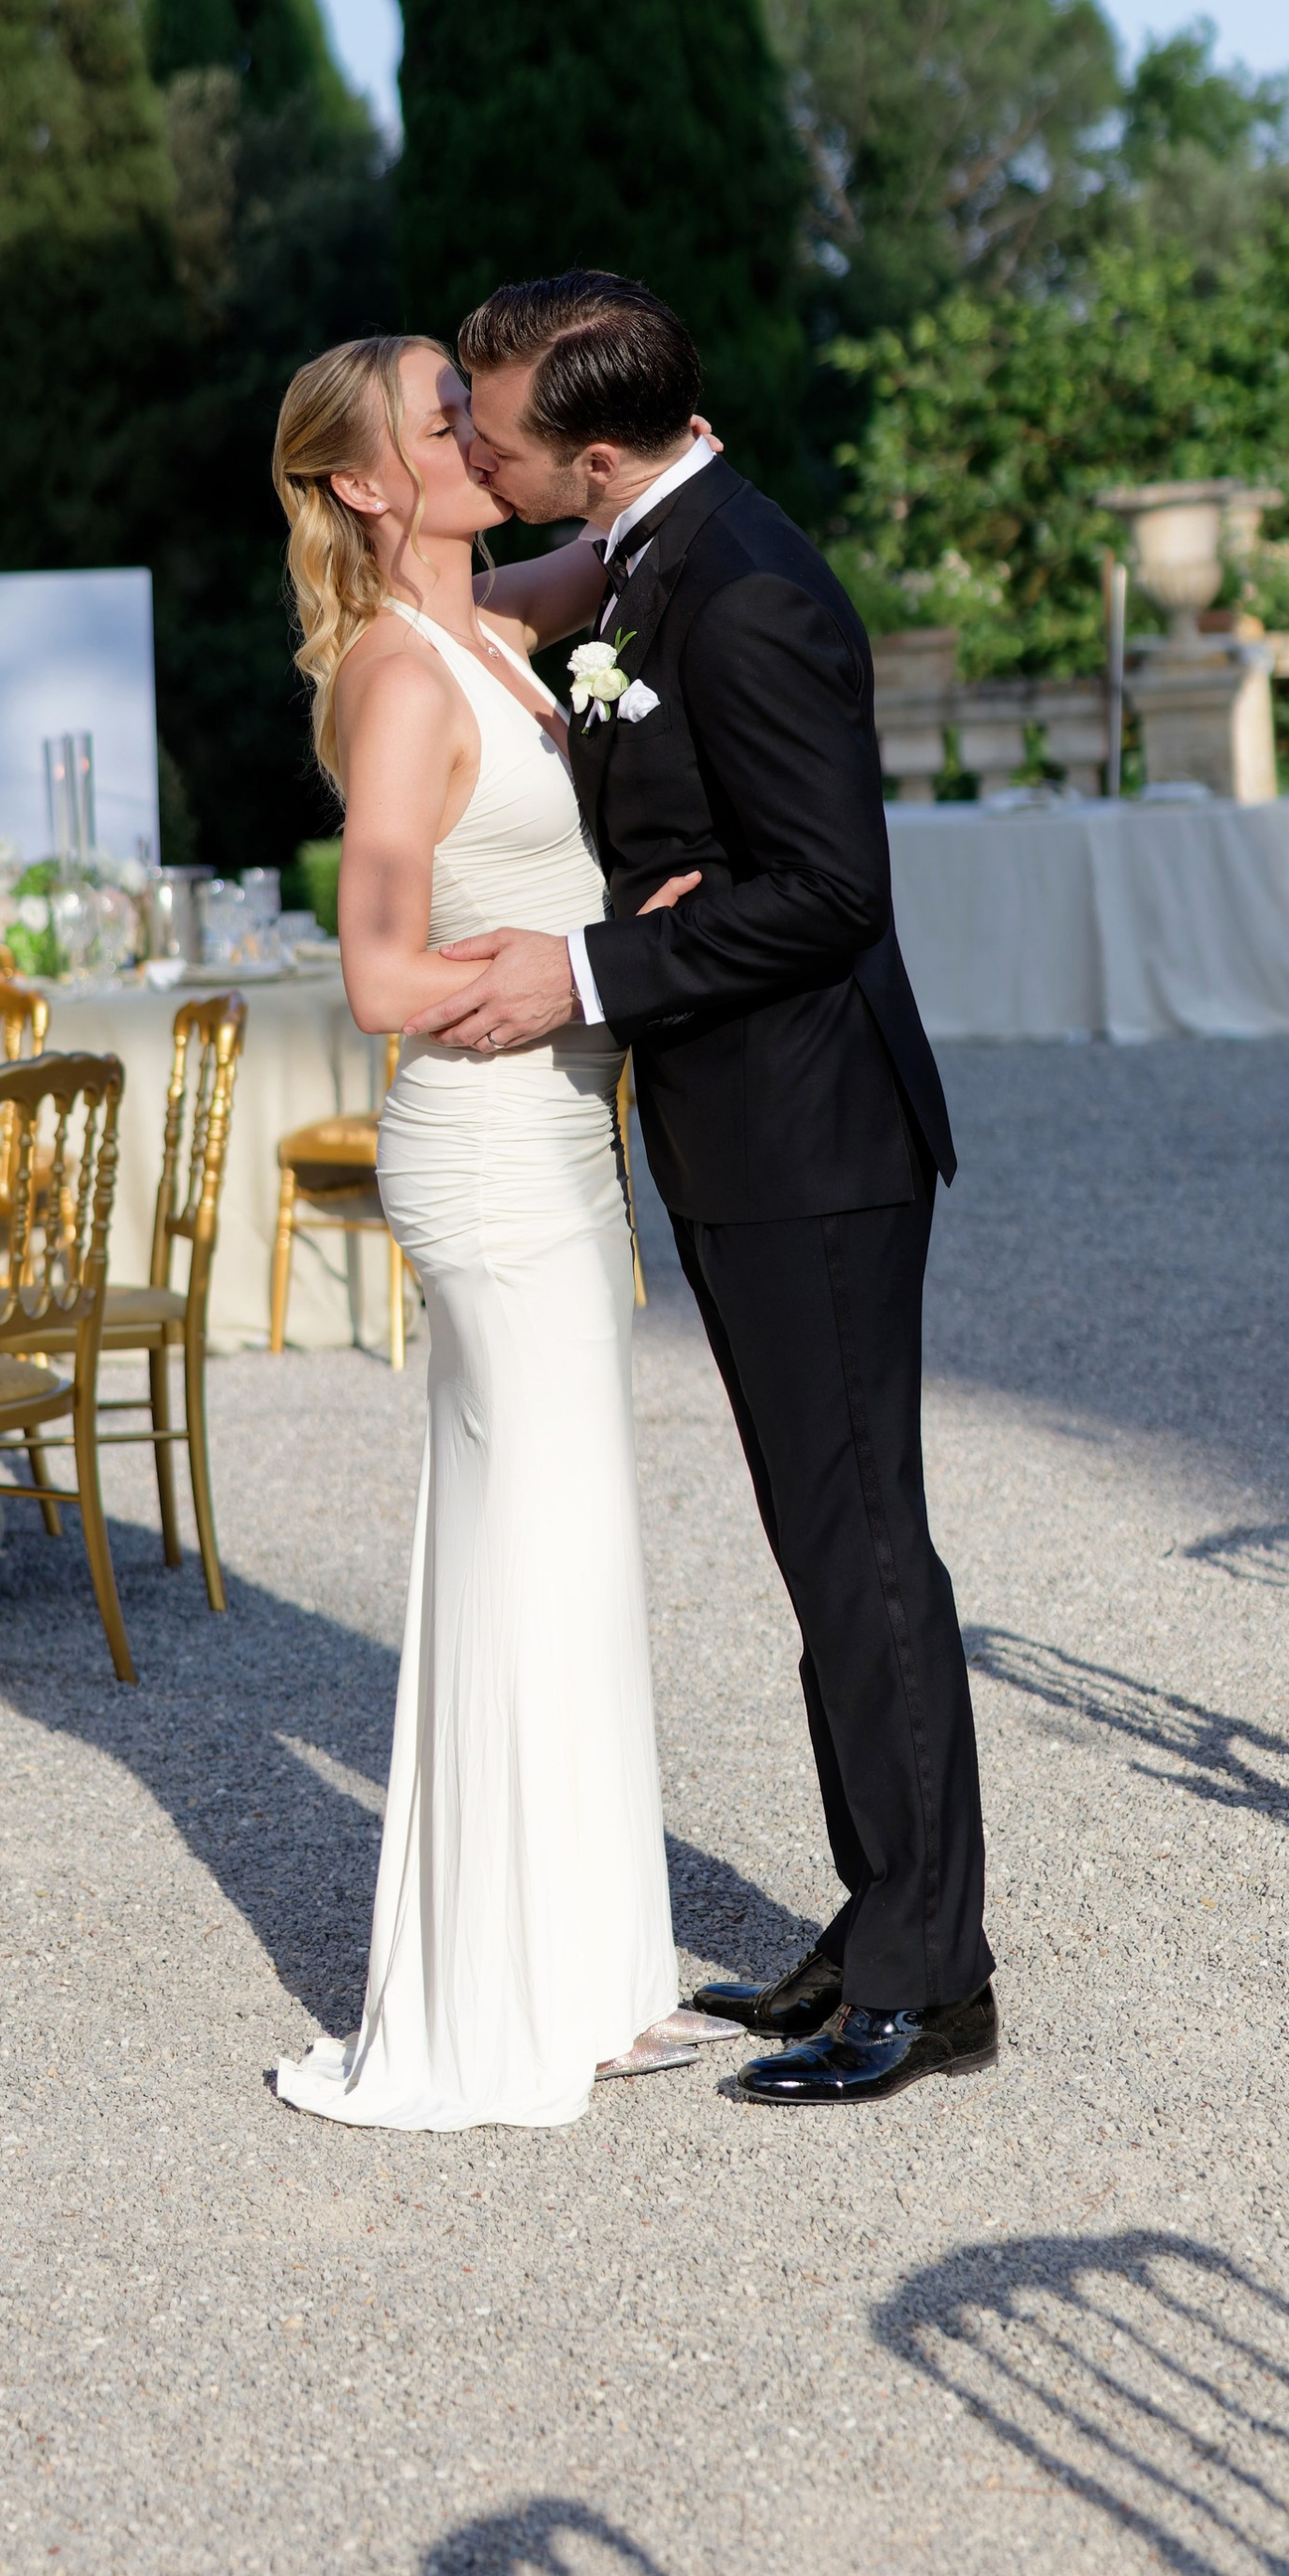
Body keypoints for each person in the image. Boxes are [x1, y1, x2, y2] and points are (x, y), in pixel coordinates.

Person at [410, 270, 994, 2113]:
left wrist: (589, 967)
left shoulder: (738, 589)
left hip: (814, 1148)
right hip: (747, 1134)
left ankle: (931, 1975)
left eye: (493, 428)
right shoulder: (655, 544)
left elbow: (831, 892)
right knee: (824, 1548)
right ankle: (880, 1908)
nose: (476, 451)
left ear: (593, 442)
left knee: (863, 1551)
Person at [267, 334, 724, 2130]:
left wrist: (666, 451)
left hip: (560, 1136)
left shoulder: (493, 627)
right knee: (522, 1539)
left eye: (476, 403)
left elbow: (617, 538)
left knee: (571, 1531)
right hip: (480, 1144)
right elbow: (378, 971)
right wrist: (562, 973)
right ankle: (499, 2001)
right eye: (444, 418)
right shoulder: (399, 676)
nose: (482, 430)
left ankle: (598, 1975)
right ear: (368, 482)